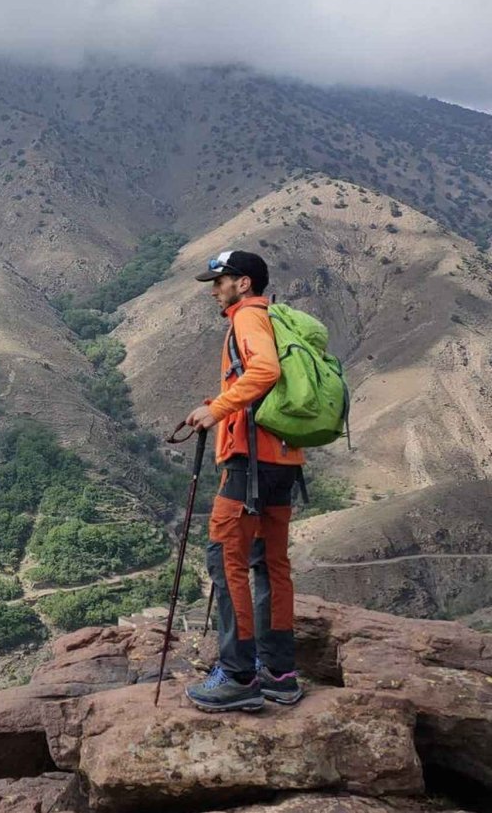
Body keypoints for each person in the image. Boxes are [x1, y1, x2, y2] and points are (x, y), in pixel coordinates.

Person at [181, 249, 305, 712]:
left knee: (225, 557)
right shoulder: (274, 318)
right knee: (272, 563)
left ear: (244, 284)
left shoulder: (248, 318)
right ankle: (280, 673)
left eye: (221, 280)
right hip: (283, 459)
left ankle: (237, 676)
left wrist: (218, 409)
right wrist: (225, 400)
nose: (214, 289)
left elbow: (266, 370)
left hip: (249, 462)